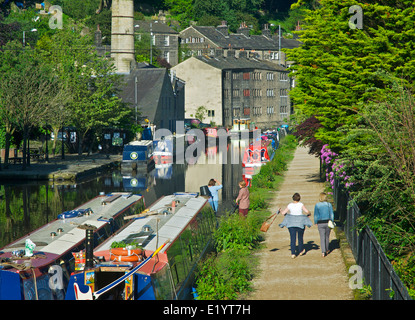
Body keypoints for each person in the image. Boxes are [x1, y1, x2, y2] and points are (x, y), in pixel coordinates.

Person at [279, 193, 312, 258]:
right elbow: (307, 211)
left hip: (291, 224)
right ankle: (300, 251)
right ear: (299, 198)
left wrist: (280, 210)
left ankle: (293, 253)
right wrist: (309, 213)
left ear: (293, 198)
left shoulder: (290, 205)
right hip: (300, 223)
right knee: (300, 238)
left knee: (292, 239)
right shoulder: (301, 204)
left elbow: (283, 213)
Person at [314, 192, 334, 257]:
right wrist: (332, 220)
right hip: (327, 222)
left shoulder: (317, 205)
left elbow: (316, 215)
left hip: (320, 222)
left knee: (322, 237)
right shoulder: (329, 205)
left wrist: (315, 222)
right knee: (327, 236)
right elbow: (331, 214)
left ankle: (323, 251)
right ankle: (327, 249)